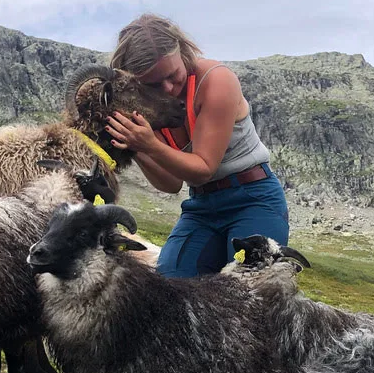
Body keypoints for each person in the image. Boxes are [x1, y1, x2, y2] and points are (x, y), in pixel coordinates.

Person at [104, 14, 289, 278]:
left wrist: (149, 145)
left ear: (181, 50)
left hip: (252, 199)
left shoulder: (216, 81)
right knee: (169, 285)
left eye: (172, 75)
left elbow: (203, 168)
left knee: (252, 288)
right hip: (201, 207)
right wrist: (136, 145)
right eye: (152, 85)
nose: (167, 89)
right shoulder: (150, 109)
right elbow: (171, 184)